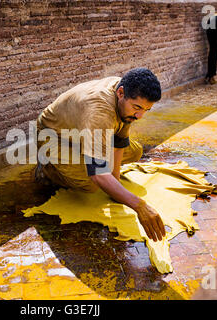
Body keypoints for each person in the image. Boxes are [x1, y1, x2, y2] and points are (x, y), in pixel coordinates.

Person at [34, 68, 166, 242]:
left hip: (82, 132)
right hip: (54, 137)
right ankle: (48, 169)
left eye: (146, 110)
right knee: (92, 184)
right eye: (137, 108)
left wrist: (115, 184)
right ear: (120, 93)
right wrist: (139, 206)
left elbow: (119, 142)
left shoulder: (126, 93)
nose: (140, 115)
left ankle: (86, 156)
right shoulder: (100, 111)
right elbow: (98, 174)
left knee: (134, 151)